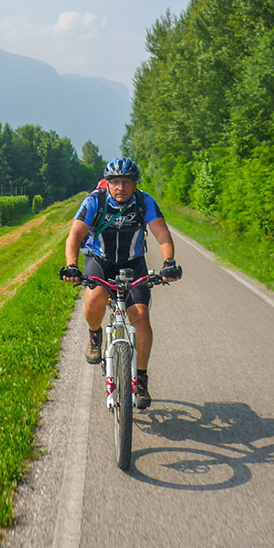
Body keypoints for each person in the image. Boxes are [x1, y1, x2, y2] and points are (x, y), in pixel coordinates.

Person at [60, 157, 181, 409]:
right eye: (115, 182)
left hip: (132, 263)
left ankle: (142, 379)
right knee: (94, 298)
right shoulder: (95, 201)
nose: (121, 188)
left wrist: (168, 261)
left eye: (126, 182)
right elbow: (75, 235)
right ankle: (95, 335)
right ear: (107, 183)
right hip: (100, 260)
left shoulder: (143, 201)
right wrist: (72, 265)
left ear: (135, 184)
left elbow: (161, 233)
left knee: (141, 316)